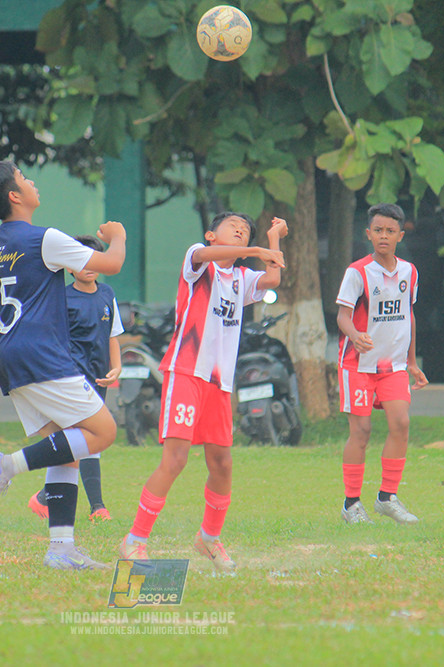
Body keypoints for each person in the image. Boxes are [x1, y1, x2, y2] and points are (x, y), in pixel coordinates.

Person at [0, 160, 126, 570]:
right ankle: (6, 466)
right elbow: (110, 265)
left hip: (7, 356)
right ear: (14, 196)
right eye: (24, 178)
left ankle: (61, 548)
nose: (32, 181)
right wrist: (118, 237)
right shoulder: (44, 238)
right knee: (103, 432)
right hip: (40, 355)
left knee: (66, 451)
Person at [118, 212, 288, 574]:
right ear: (212, 235)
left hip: (219, 383)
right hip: (186, 373)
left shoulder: (240, 279)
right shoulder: (198, 261)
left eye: (245, 231)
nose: (241, 230)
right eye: (233, 227)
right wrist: (256, 247)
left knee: (222, 464)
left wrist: (274, 238)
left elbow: (273, 277)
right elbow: (202, 256)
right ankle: (134, 541)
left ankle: (209, 538)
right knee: (176, 459)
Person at [335, 203, 428, 525]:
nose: (383, 236)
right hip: (357, 365)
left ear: (400, 235)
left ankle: (387, 497)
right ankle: (351, 505)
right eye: (378, 230)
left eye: (390, 231)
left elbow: (408, 315)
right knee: (360, 431)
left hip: (393, 366)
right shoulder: (357, 272)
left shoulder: (409, 272)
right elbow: (343, 316)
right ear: (369, 234)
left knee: (400, 423)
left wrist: (412, 361)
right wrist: (355, 334)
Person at [27, 235, 123, 523]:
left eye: (96, 258)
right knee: (87, 439)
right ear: (70, 266)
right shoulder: (62, 298)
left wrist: (116, 367)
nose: (89, 265)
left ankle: (45, 497)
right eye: (82, 259)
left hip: (99, 378)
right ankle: (98, 508)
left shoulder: (107, 294)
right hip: (71, 379)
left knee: (83, 441)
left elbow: (113, 335)